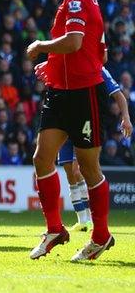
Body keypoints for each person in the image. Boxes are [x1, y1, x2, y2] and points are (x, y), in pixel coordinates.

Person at [25, 0, 114, 261]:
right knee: (42, 158)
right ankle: (55, 229)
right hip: (60, 91)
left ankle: (101, 236)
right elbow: (98, 53)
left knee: (88, 167)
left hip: (83, 94)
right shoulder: (83, 1)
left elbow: (75, 42)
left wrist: (41, 47)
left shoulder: (78, 0)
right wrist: (54, 66)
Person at [36, 64, 132, 232]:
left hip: (85, 121)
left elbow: (119, 95)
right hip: (62, 124)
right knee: (69, 172)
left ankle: (95, 219)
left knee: (82, 170)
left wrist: (126, 117)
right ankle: (82, 219)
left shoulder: (97, 69)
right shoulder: (65, 65)